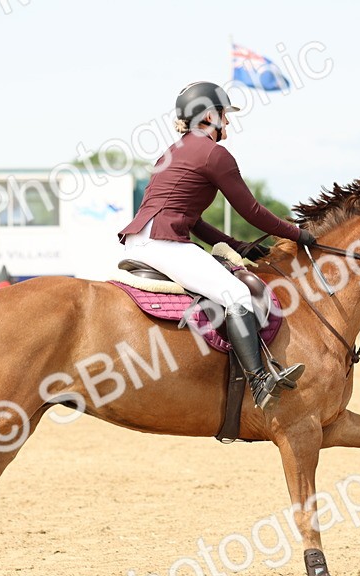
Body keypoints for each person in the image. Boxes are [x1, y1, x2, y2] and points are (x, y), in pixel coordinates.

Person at [118, 81, 316, 411]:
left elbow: (192, 220)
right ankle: (259, 381)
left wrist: (236, 244)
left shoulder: (172, 151)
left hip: (143, 240)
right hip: (162, 243)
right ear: (211, 115)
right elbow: (251, 210)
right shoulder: (214, 154)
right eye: (225, 114)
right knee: (237, 295)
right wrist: (297, 235)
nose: (229, 122)